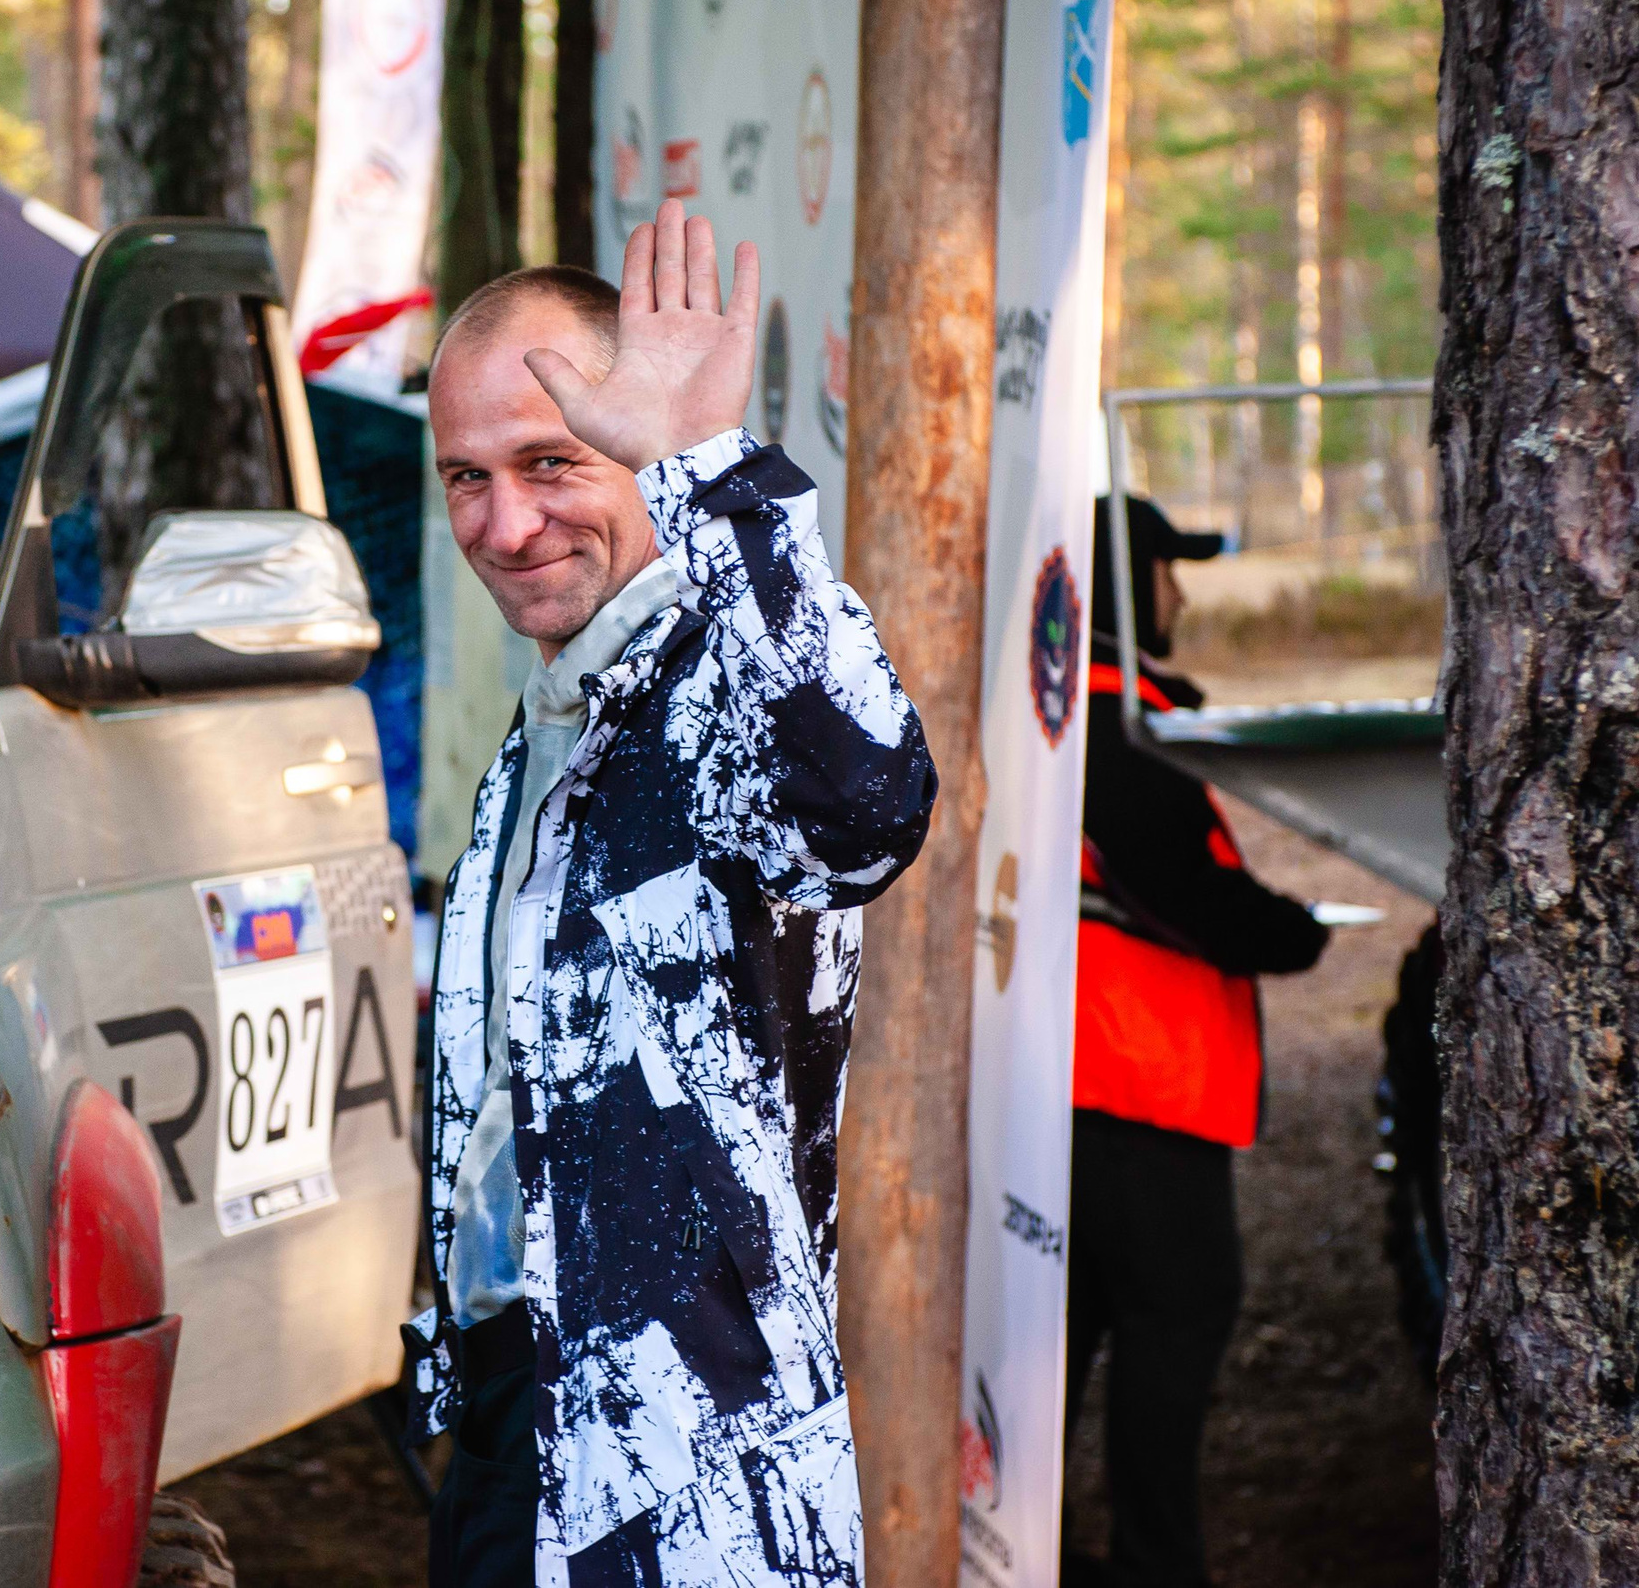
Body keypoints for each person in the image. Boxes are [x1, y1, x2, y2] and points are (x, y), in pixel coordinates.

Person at [405, 199, 936, 1588]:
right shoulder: (554, 717)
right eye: (466, 476)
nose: (505, 522)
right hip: (514, 1426)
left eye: (551, 461)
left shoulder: (722, 687)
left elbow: (865, 811)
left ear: (639, 452)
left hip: (696, 1477)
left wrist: (712, 470)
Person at [1063, 497, 1332, 1588]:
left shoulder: (1063, 705)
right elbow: (1183, 887)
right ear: (1129, 588)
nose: (1178, 591)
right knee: (1174, 1321)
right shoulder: (1117, 722)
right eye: (1166, 569)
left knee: (1067, 1335)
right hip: (1136, 1088)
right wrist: (1293, 930)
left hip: (1085, 1083)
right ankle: (1152, 1568)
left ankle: (1024, 1551)